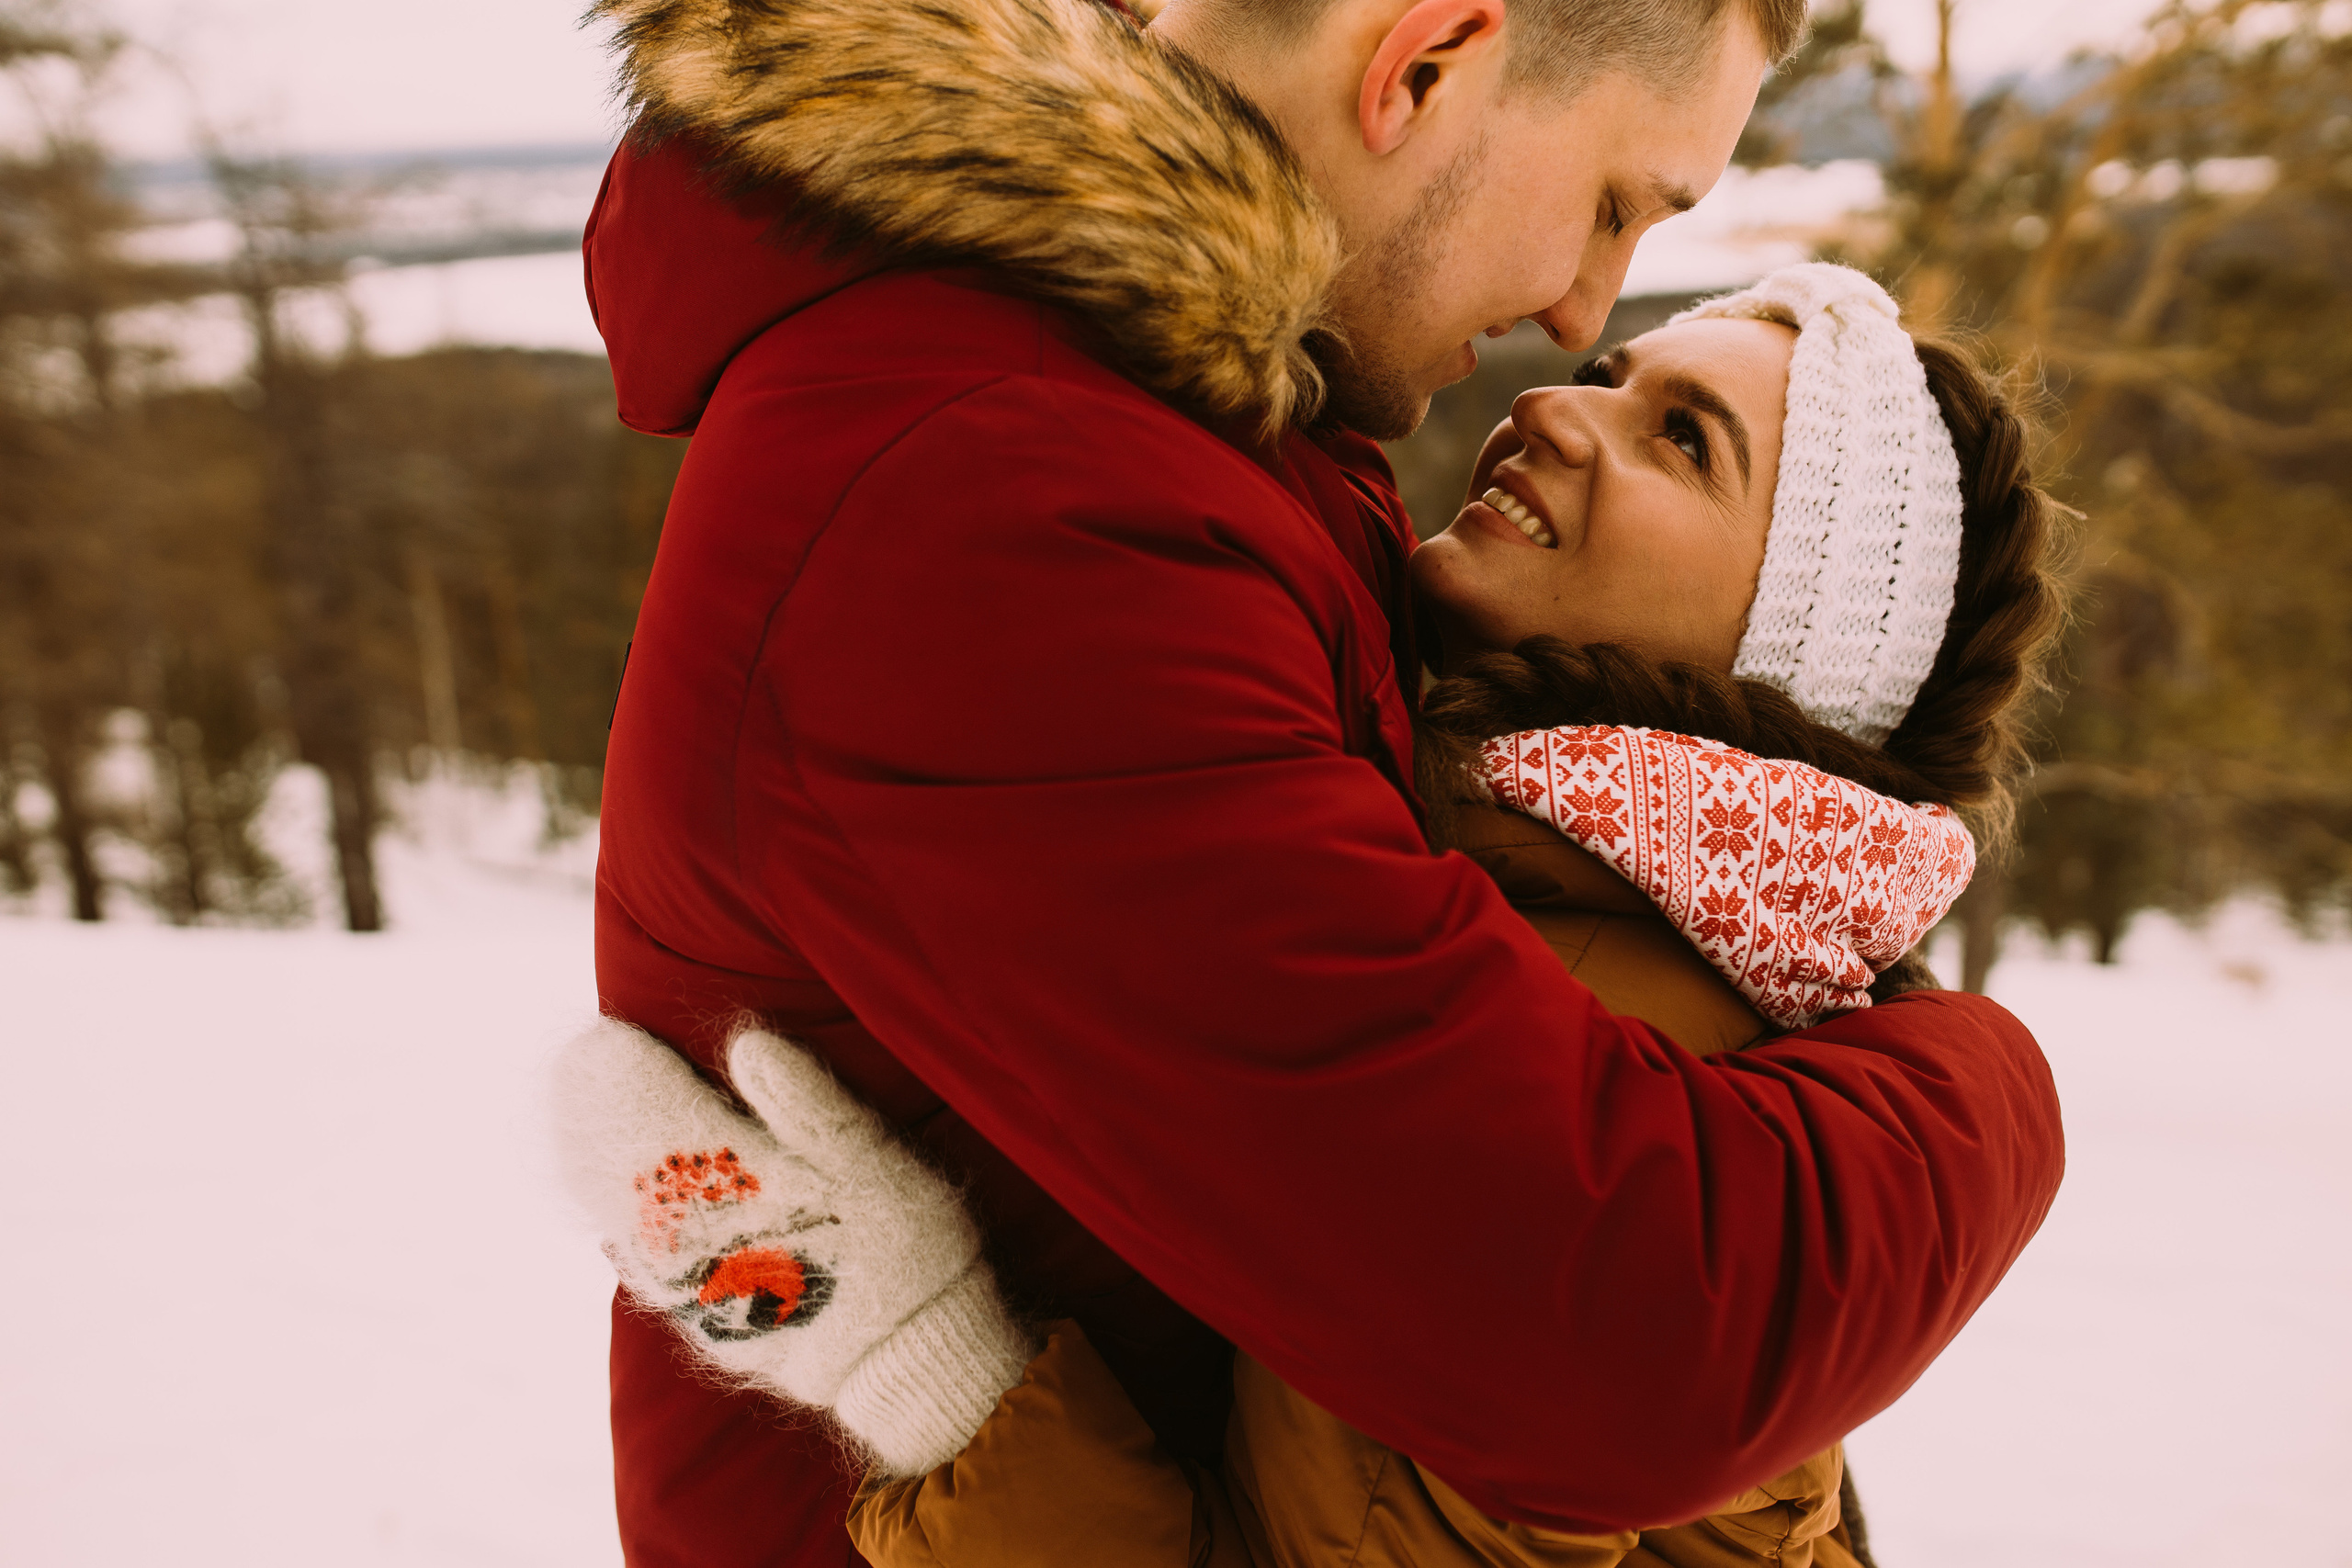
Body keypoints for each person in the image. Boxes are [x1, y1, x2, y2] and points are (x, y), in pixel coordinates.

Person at [577, 0, 2066, 1557]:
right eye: (1618, 203)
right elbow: (1626, 1340)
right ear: (1422, 59)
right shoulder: (1012, 483)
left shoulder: (1217, 434)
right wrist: (1986, 1088)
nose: (1576, 321)